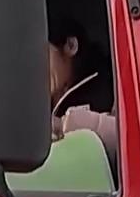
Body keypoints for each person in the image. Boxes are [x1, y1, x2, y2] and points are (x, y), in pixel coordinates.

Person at [47, 12, 119, 166]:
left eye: (41, 55)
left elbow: (129, 137)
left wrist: (65, 126)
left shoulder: (113, 85)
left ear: (71, 46)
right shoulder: (40, 104)